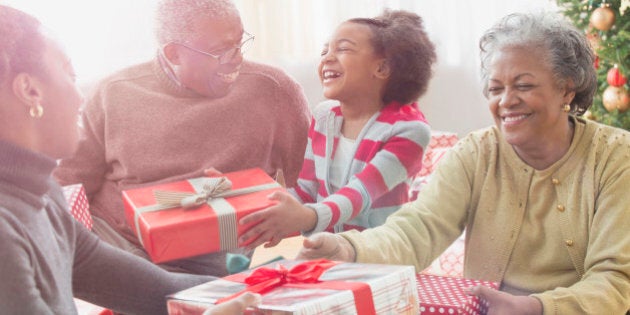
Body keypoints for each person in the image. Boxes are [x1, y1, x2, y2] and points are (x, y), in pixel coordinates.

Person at [298, 11, 630, 314]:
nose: (506, 101)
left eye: (524, 86)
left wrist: (536, 308)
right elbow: (418, 228)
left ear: (567, 90)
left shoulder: (616, 157)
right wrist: (346, 248)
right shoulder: (477, 152)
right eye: (495, 89)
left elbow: (615, 280)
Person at [0, 5, 264, 315]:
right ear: (30, 90)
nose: (79, 97)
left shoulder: (42, 194)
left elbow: (152, 287)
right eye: (70, 76)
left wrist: (270, 290)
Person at [52, 0, 310, 276]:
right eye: (220, 50)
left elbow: (312, 183)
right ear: (173, 54)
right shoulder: (112, 92)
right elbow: (68, 182)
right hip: (124, 242)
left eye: (239, 42)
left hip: (220, 246)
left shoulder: (273, 89)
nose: (236, 58)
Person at [238, 9, 435, 250]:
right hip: (329, 251)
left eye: (343, 49)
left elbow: (360, 194)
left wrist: (306, 217)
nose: (327, 58)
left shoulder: (409, 131)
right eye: (325, 50)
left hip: (382, 254)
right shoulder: (324, 117)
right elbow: (307, 192)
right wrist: (246, 198)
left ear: (382, 69)